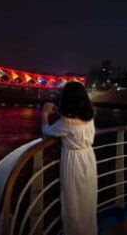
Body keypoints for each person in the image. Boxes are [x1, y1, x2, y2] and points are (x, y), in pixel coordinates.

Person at [41, 81, 97, 235]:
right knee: (87, 202)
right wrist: (60, 112)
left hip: (73, 162)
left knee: (73, 204)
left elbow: (47, 132)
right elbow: (73, 121)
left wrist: (45, 114)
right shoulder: (90, 116)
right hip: (88, 158)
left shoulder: (66, 122)